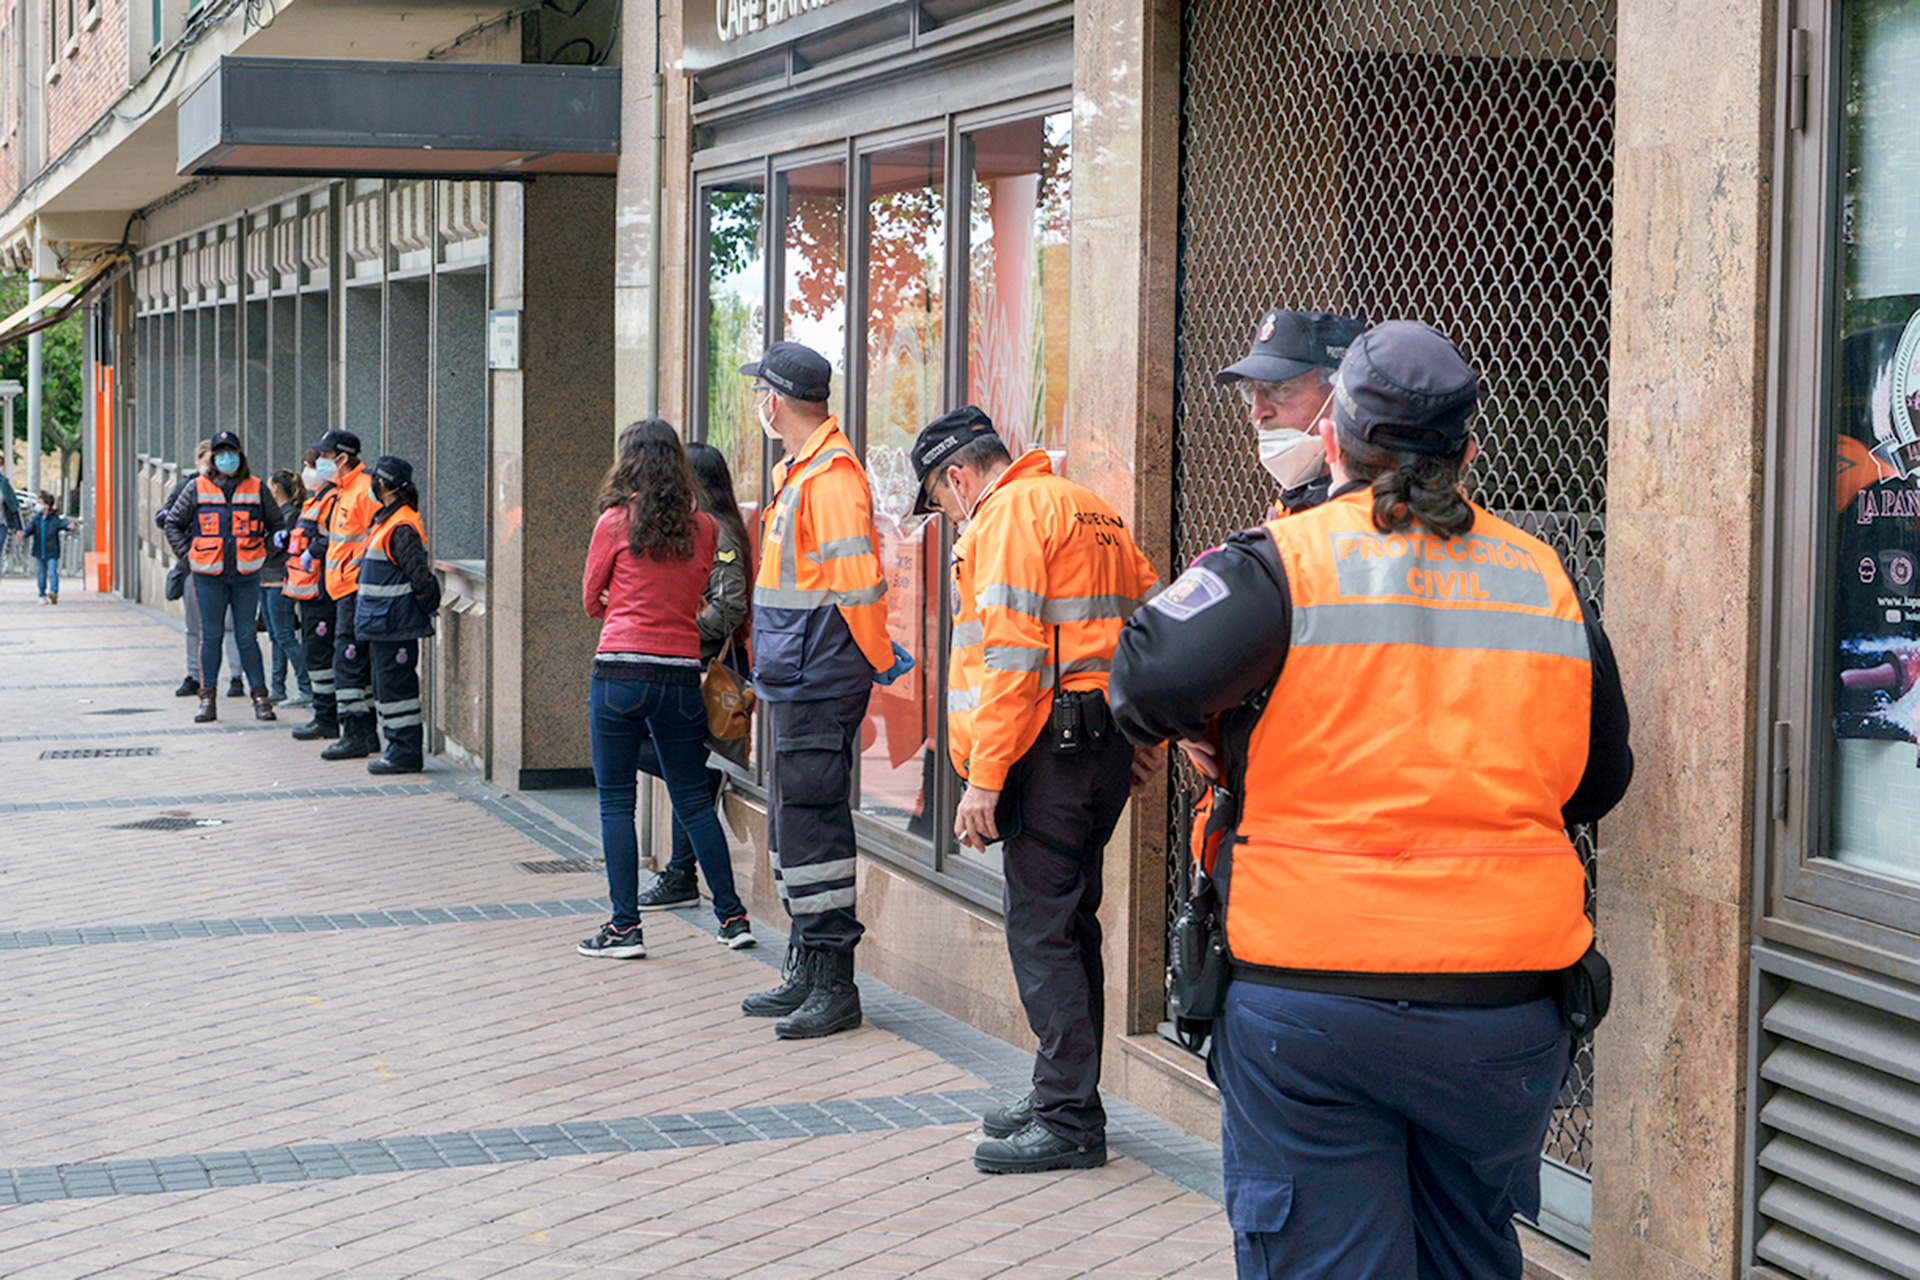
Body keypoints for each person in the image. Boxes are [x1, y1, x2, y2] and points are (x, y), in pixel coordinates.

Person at [1107, 322, 1633, 1280]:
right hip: (1506, 1013)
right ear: (1469, 454)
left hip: (1313, 1009)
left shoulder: (1283, 563)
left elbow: (1141, 674)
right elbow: (1599, 783)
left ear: (1335, 440)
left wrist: (1227, 734)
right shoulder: (1548, 581)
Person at [909, 406, 1164, 1175]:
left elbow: (1013, 660)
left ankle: (1068, 1117)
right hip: (1099, 741)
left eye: (941, 501)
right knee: (1068, 922)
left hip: (1048, 751)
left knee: (1042, 930)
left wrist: (982, 782)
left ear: (959, 477)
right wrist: (1142, 732)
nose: (950, 518)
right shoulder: (1091, 507)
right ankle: (1061, 1088)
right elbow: (1154, 624)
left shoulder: (1011, 514)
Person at [738, 341, 909, 1039]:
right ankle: (808, 966)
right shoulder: (803, 472)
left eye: (760, 393)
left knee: (812, 823)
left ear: (775, 402)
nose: (758, 404)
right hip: (795, 676)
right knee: (793, 823)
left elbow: (860, 588)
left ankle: (834, 982)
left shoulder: (832, 477)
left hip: (816, 678)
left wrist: (874, 658)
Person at [578, 420, 749, 959]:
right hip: (678, 673)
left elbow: (590, 598)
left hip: (620, 671)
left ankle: (624, 928)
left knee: (615, 804)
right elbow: (696, 593)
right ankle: (733, 916)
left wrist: (624, 611)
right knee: (693, 798)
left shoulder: (614, 522)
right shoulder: (704, 529)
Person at [631, 440, 756, 952]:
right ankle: (683, 871)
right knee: (677, 766)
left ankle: (684, 872)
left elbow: (728, 606)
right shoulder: (703, 527)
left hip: (706, 665)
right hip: (692, 662)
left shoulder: (718, 531)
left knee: (667, 761)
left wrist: (680, 624)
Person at [164, 431, 284, 722]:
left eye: (230, 452)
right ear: (213, 459)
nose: (225, 458)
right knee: (211, 637)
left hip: (246, 575)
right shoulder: (196, 487)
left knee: (246, 637)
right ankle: (207, 701)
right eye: (220, 453)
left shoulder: (256, 487)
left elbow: (277, 524)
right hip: (208, 576)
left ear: (240, 455)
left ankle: (260, 699)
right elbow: (172, 524)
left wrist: (263, 551)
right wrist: (190, 555)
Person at [1214, 309, 1363, 518]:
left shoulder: (1378, 504)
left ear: (1340, 391)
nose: (1257, 413)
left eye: (1279, 388)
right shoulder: (1298, 490)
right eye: (1251, 391)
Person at [356, 456, 441, 775]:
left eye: (374, 481)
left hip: (395, 625)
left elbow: (421, 579)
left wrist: (419, 611)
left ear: (383, 485)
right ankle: (397, 748)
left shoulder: (401, 525)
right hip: (384, 623)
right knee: (388, 690)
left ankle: (404, 752)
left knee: (398, 691)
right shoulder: (386, 520)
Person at [314, 431, 380, 761]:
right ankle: (365, 734)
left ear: (342, 457)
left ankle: (354, 734)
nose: (320, 463)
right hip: (343, 592)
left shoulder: (364, 490)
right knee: (353, 666)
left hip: (357, 592)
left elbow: (378, 539)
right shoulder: (343, 490)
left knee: (348, 666)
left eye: (325, 457)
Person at [162, 441, 242, 697]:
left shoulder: (237, 485)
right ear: (197, 460)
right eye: (207, 460)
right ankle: (194, 676)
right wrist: (187, 556)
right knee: (195, 625)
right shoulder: (187, 487)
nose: (211, 465)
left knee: (230, 624)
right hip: (197, 567)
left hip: (230, 566)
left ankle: (237, 677)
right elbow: (168, 519)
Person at [288, 446, 343, 740]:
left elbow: (336, 538)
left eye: (310, 466)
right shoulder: (317, 500)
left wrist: (312, 550)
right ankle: (323, 715)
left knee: (320, 655)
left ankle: (326, 717)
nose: (307, 472)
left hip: (323, 591)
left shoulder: (333, 498)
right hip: (310, 589)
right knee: (314, 654)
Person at [261, 469, 313, 708]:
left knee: (284, 635)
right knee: (275, 636)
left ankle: (306, 687)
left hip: (280, 580)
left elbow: (277, 549)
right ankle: (278, 687)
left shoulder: (289, 515)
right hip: (265, 579)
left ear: (275, 489)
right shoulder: (275, 514)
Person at [20, 491, 75, 604]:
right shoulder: (36, 519)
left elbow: (62, 524)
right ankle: (41, 593)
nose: (37, 506)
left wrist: (69, 526)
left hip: (52, 551)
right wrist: (24, 533)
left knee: (52, 572)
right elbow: (30, 529)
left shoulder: (54, 519)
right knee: (41, 574)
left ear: (47, 506)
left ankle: (53, 592)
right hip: (39, 551)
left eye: (39, 503)